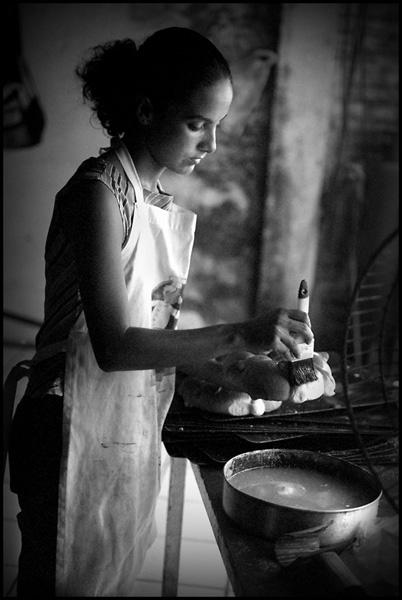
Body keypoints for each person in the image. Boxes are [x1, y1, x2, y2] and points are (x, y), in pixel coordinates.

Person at [8, 27, 313, 597]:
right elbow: (116, 345)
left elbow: (153, 337)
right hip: (62, 423)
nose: (211, 144)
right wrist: (238, 333)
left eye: (217, 125)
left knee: (102, 578)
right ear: (146, 110)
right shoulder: (96, 195)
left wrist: (242, 363)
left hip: (119, 422)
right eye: (198, 124)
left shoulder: (154, 204)